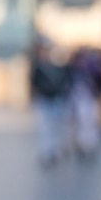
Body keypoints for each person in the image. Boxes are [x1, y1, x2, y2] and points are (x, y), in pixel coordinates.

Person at [29, 36, 72, 168]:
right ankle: (46, 152)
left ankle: (54, 151)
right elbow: (33, 83)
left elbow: (64, 81)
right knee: (45, 127)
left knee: (55, 127)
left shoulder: (57, 66)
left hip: (56, 99)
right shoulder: (38, 66)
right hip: (44, 99)